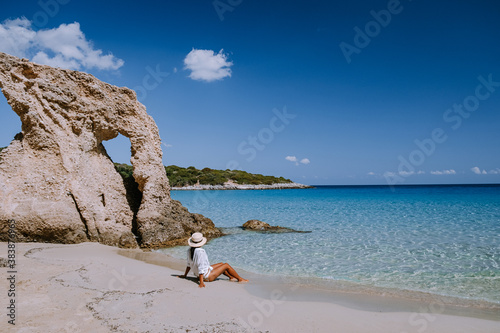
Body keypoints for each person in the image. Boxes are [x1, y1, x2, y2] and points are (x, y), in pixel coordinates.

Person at [178, 232, 249, 288]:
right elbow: (201, 267)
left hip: (201, 274)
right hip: (207, 277)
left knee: (221, 264)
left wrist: (185, 275)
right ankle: (240, 279)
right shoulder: (201, 252)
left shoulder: (189, 250)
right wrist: (201, 282)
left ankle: (231, 277)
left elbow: (188, 264)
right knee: (226, 265)